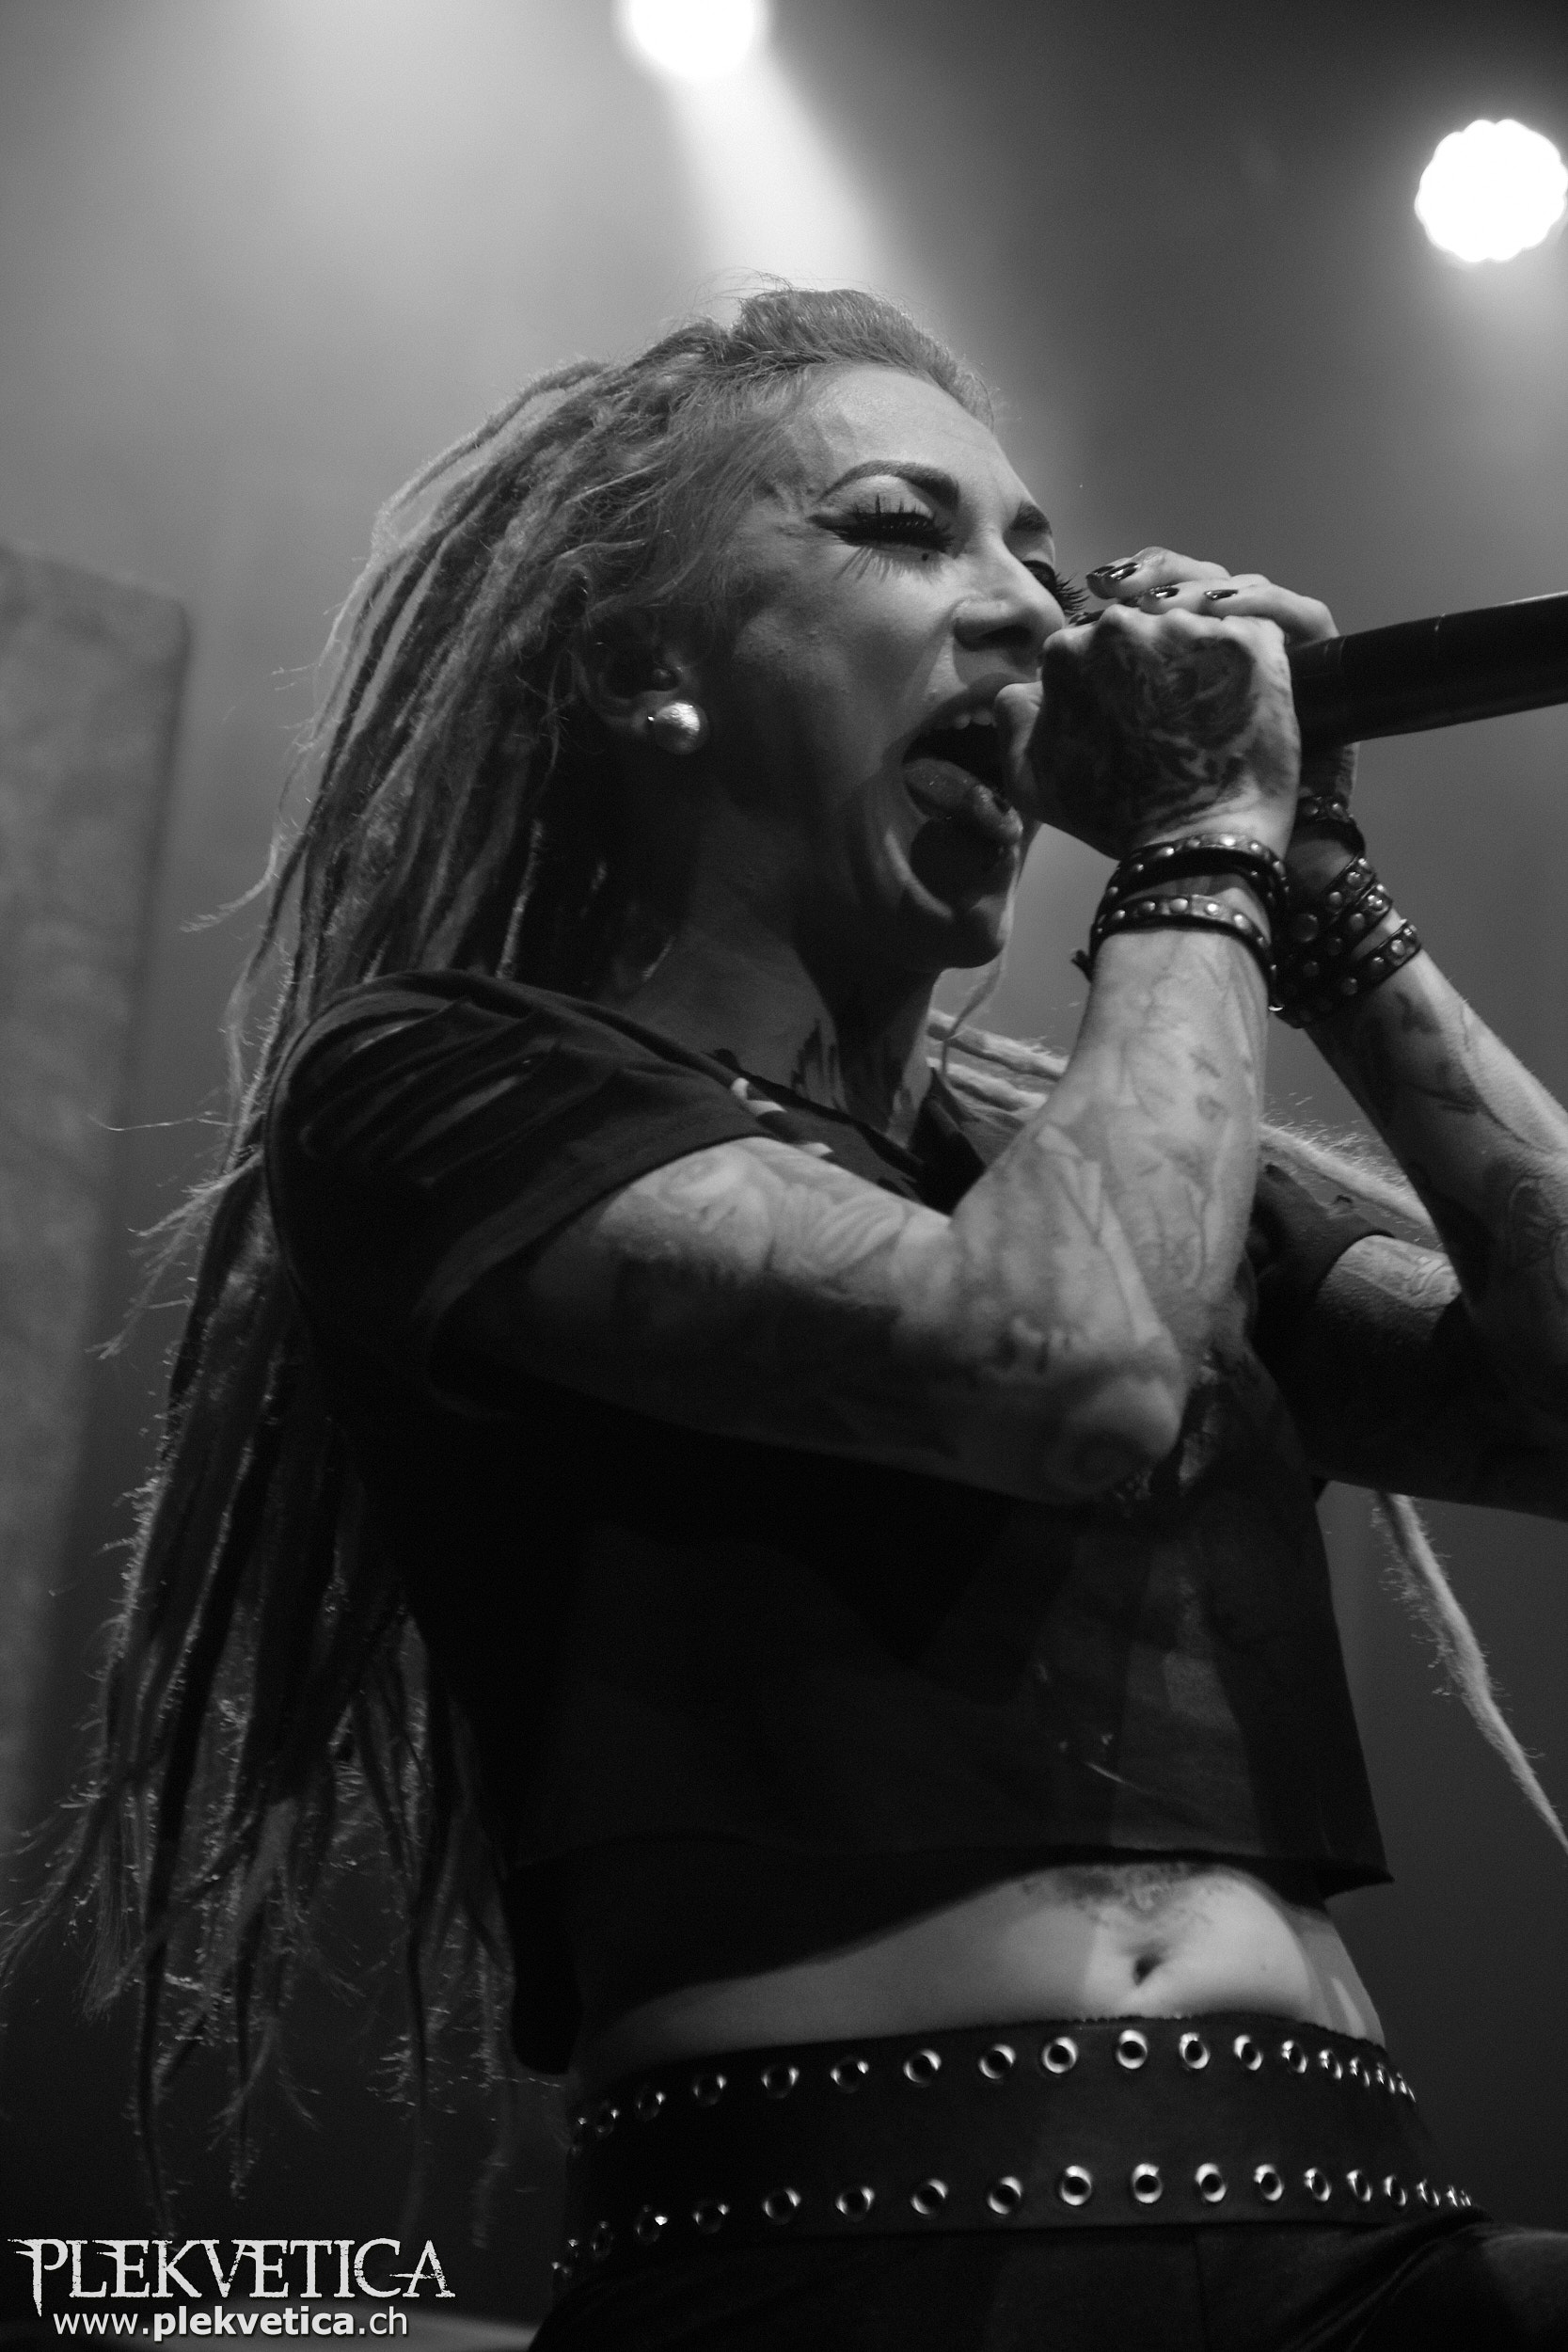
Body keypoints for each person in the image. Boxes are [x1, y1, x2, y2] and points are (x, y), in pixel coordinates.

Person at [22, 287, 1568, 2346]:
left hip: (1360, 2236)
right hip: (843, 2258)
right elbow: (1066, 1364)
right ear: (642, 667)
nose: (1029, 613)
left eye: (1041, 552)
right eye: (902, 528)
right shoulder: (444, 1081)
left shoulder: (1106, 1155)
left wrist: (1329, 887)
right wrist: (1207, 841)